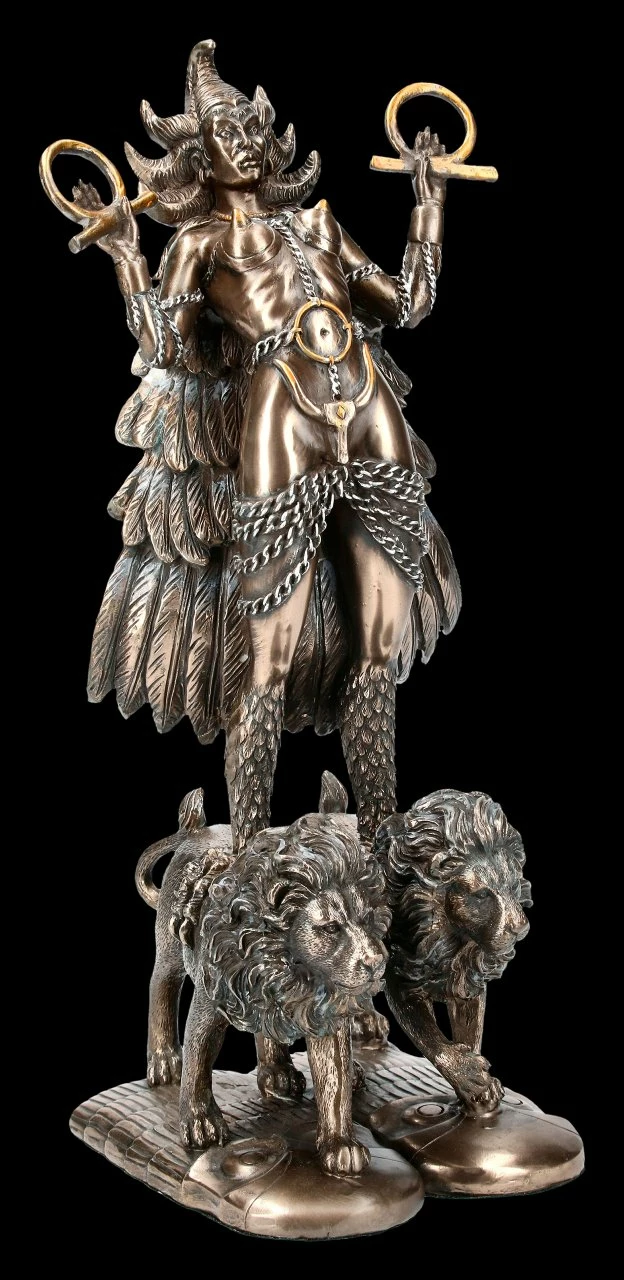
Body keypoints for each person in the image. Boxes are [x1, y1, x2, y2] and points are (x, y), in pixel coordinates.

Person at [83, 39, 461, 850]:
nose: (247, 142)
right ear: (201, 156)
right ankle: (253, 852)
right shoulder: (198, 245)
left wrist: (428, 202)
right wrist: (125, 258)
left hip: (368, 403)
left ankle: (382, 837)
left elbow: (407, 305)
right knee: (268, 659)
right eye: (229, 133)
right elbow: (163, 346)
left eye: (255, 128)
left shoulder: (317, 223)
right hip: (280, 413)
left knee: (377, 650)